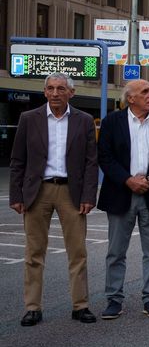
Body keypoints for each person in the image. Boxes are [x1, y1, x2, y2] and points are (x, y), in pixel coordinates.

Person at [10, 73, 99, 326]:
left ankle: (80, 306)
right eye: (50, 88)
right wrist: (16, 195)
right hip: (37, 192)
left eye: (61, 88)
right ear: (44, 92)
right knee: (33, 253)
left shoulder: (83, 121)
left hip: (71, 192)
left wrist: (88, 196)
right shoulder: (29, 119)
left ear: (71, 92)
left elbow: (91, 163)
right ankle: (32, 307)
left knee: (78, 252)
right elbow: (18, 160)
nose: (55, 93)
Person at [96, 79, 149, 320]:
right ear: (130, 98)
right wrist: (128, 180)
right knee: (115, 251)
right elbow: (105, 155)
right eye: (145, 92)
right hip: (121, 194)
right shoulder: (112, 122)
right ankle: (114, 299)